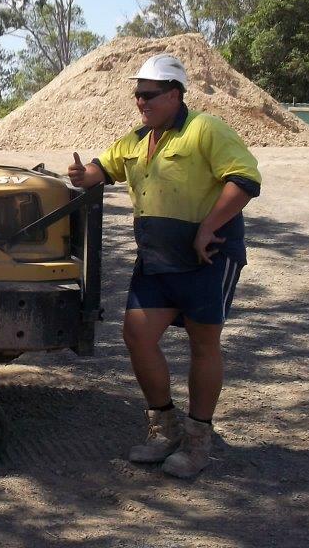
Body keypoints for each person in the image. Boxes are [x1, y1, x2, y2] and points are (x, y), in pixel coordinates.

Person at [68, 53, 260, 479]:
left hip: (206, 258)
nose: (140, 102)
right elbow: (104, 167)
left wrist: (209, 226)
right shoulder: (137, 139)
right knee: (137, 335)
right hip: (156, 261)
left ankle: (197, 442)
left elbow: (245, 180)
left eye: (149, 95)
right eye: (137, 95)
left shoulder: (204, 129)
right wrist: (85, 175)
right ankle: (164, 428)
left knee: (203, 345)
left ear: (175, 94)